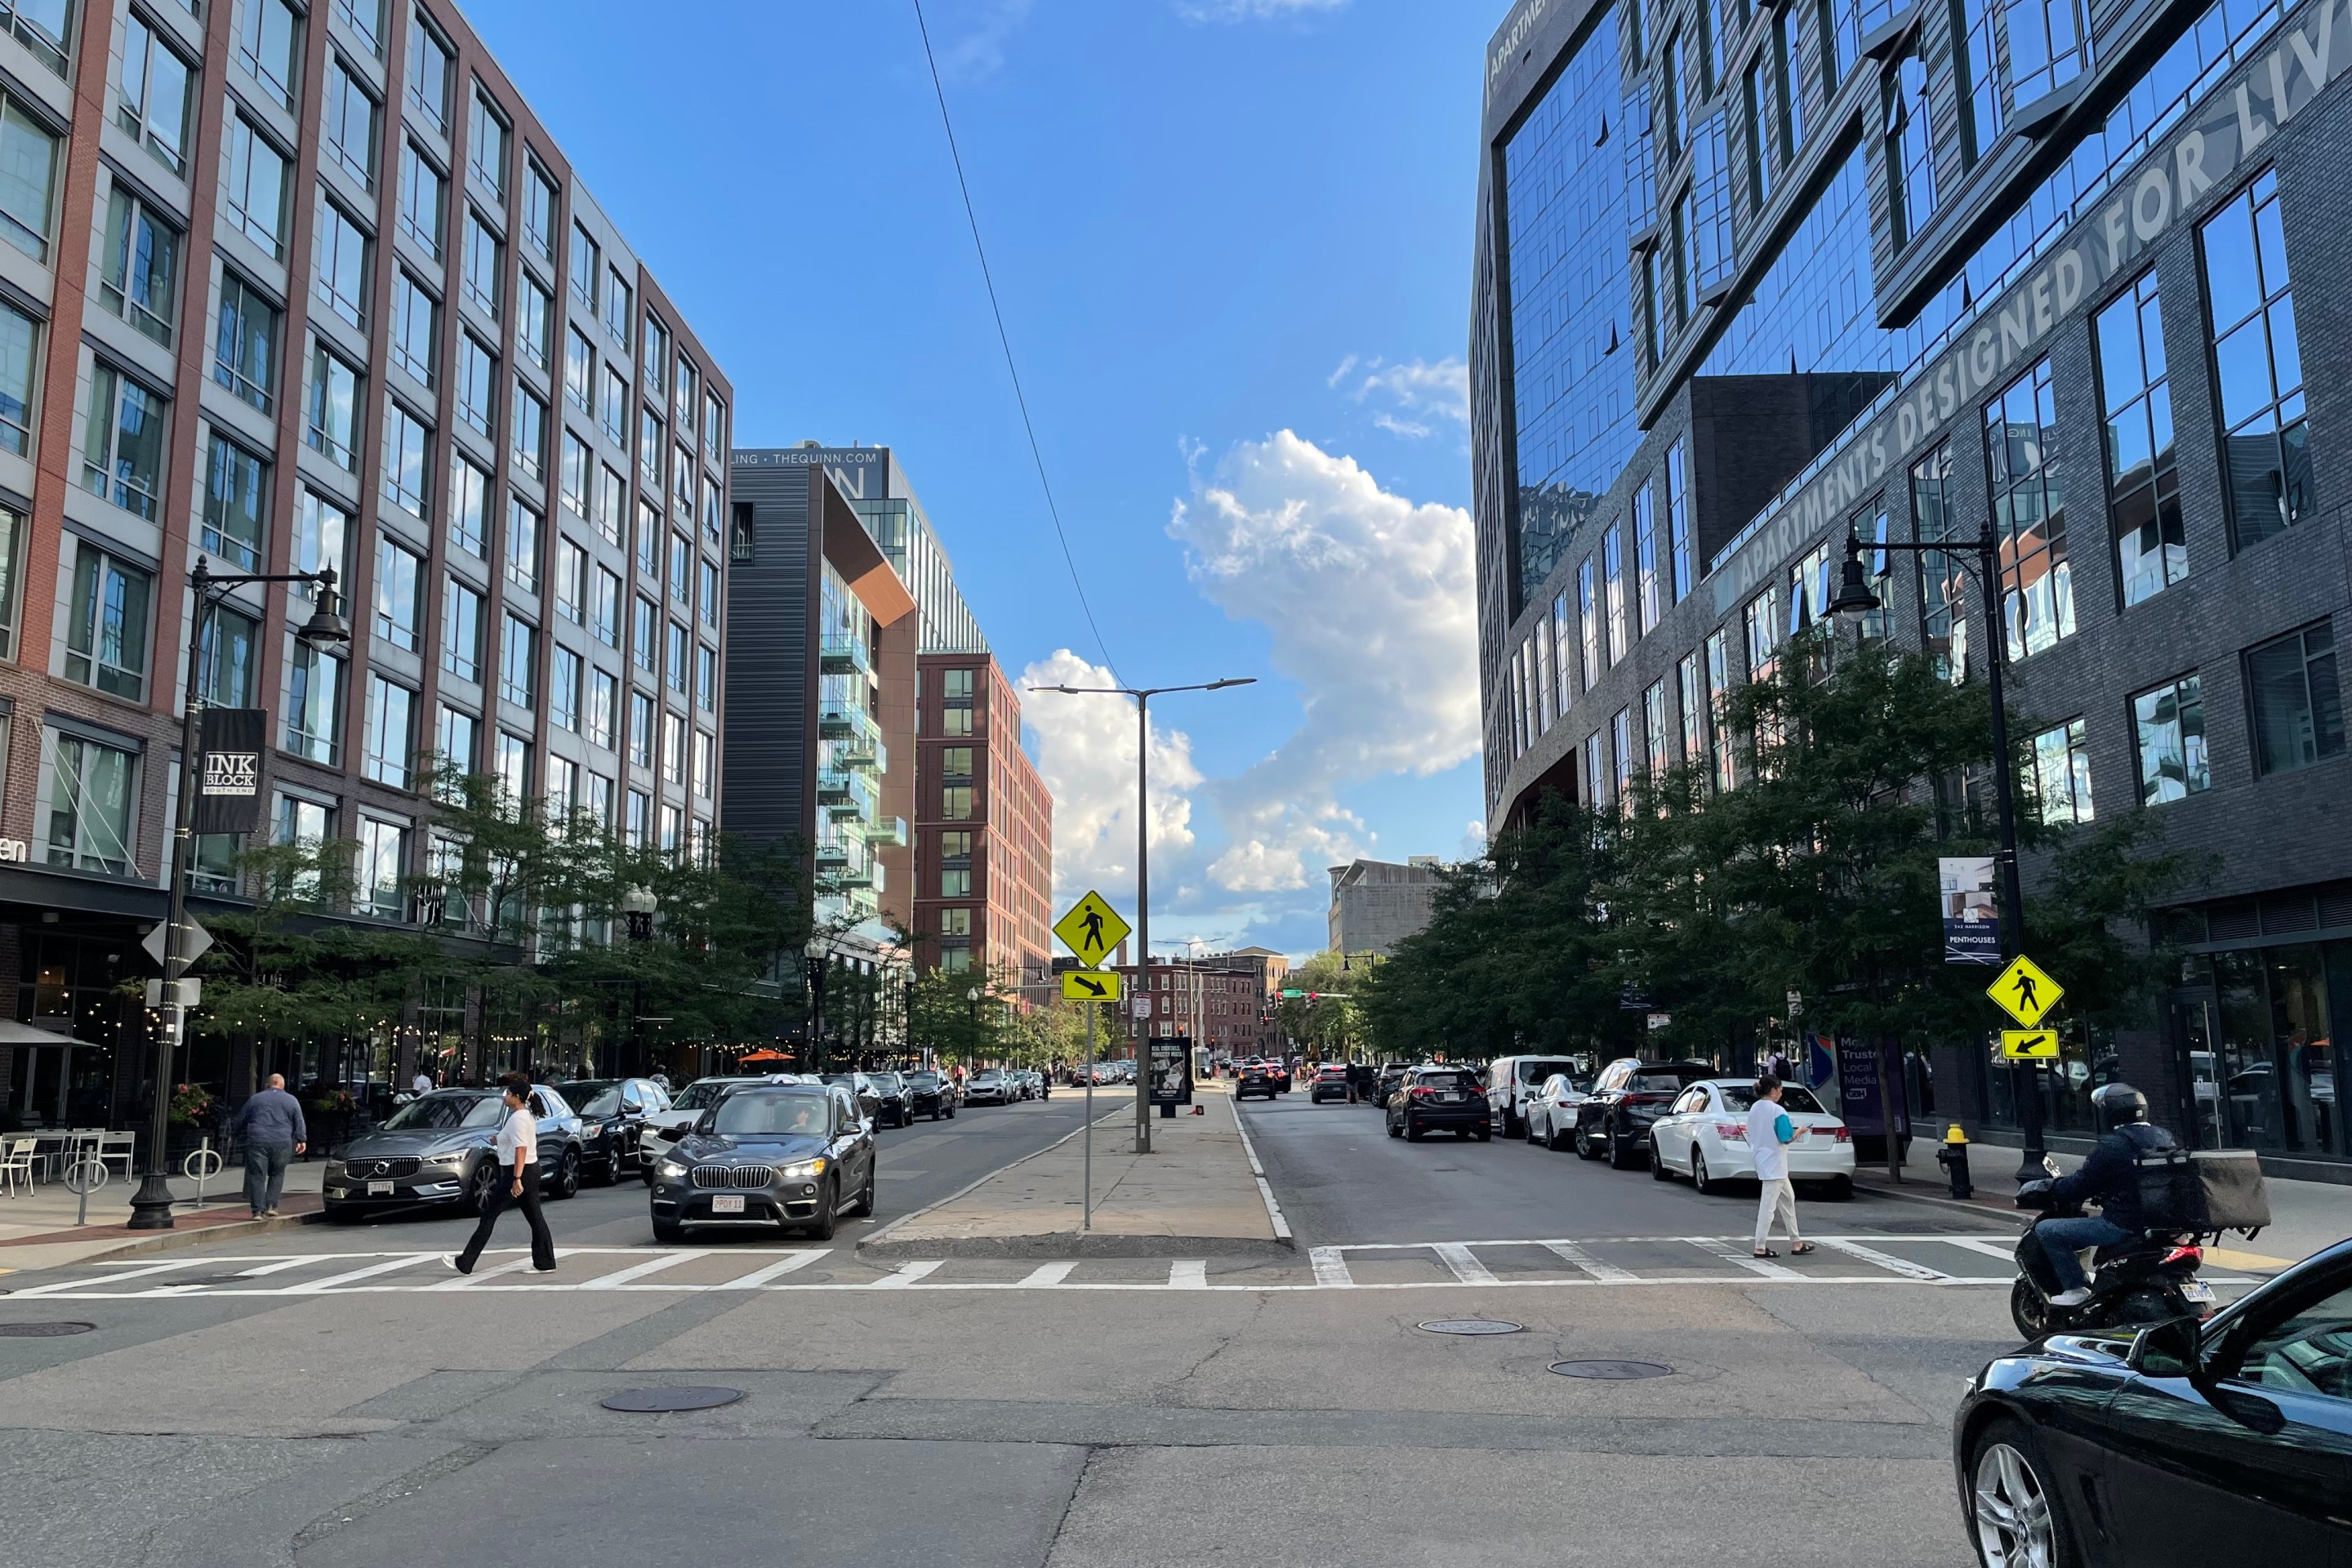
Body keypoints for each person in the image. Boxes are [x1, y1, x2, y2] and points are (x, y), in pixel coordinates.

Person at [2035, 1081, 2174, 1307]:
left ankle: (2075, 1289)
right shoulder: (2163, 1137)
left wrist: (2049, 1188)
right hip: (2158, 1223)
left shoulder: (2113, 1145)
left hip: (2122, 1224)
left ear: (2110, 1114)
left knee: (2048, 1230)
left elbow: (2081, 1184)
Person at [448, 1072, 556, 1275]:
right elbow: (517, 1142)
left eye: (508, 1093)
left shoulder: (518, 1119)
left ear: (516, 1097)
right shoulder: (524, 1116)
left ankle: (465, 1262)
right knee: (535, 1218)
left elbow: (521, 1149)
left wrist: (516, 1179)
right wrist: (498, 1139)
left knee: (489, 1217)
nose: (504, 1096)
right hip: (529, 1170)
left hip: (518, 1172)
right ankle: (545, 1262)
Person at [1747, 1076, 1814, 1259]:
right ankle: (1760, 1246)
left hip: (1764, 1160)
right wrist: (1799, 1132)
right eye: (1780, 1090)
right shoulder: (1778, 1111)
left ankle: (1797, 1242)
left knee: (1788, 1199)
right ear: (1774, 1090)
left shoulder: (1754, 1108)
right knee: (1768, 1208)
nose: (1781, 1094)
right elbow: (1785, 1137)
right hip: (1775, 1163)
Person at [231, 1073, 308, 1218]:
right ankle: (271, 1205)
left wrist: (234, 1135)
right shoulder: (291, 1100)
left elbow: (242, 1118)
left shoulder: (256, 1099)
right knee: (277, 1173)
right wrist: (301, 1140)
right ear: (282, 1085)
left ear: (267, 1084)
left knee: (256, 1175)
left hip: (257, 1140)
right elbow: (299, 1120)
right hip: (282, 1141)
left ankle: (257, 1211)